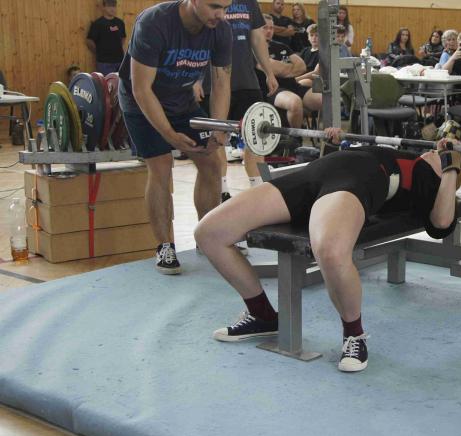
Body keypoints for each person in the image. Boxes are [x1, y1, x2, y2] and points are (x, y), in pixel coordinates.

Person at [195, 130, 461, 373]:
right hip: (313, 175)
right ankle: (262, 315)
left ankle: (354, 335)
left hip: (354, 182)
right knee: (209, 233)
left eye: (440, 157)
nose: (434, 151)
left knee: (330, 251)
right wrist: (333, 144)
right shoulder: (408, 156)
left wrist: (451, 164)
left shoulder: (426, 178)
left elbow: (441, 222)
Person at [118, 0, 232, 275]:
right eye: (214, 6)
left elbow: (221, 82)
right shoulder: (154, 23)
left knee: (212, 163)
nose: (221, 14)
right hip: (141, 102)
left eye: (226, 7)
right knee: (161, 166)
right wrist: (169, 135)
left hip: (182, 101)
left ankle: (206, 238)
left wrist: (218, 129)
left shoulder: (221, 30)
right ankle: (165, 246)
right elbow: (141, 88)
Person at [210, 0, 278, 206]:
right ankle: (221, 192)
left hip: (246, 80)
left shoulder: (249, 3)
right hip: (215, 81)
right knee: (217, 137)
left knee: (257, 136)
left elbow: (257, 37)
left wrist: (269, 72)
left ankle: (258, 190)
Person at [257, 15, 321, 132]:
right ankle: (296, 138)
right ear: (257, 29)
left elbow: (301, 66)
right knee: (295, 102)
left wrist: (281, 69)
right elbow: (274, 68)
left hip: (294, 86)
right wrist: (289, 68)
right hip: (273, 89)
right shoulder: (256, 50)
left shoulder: (281, 46)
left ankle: (329, 137)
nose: (269, 31)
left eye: (271, 28)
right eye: (265, 28)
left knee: (325, 100)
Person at [86, 0, 126, 75]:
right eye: (109, 6)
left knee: (120, 81)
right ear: (103, 7)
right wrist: (98, 52)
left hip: (120, 60)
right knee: (106, 82)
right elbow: (89, 41)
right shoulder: (97, 24)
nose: (112, 8)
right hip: (104, 62)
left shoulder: (120, 23)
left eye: (114, 6)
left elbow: (123, 37)